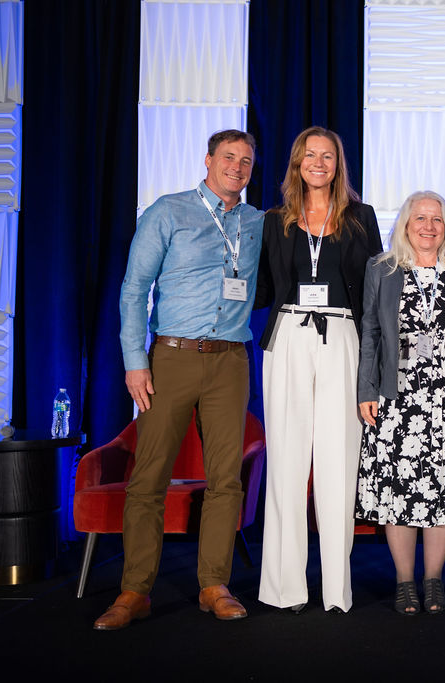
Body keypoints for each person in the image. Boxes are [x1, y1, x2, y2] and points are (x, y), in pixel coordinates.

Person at [95, 129, 263, 630]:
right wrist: (134, 360)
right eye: (228, 157)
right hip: (170, 357)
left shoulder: (258, 223)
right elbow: (134, 288)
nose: (237, 167)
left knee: (226, 479)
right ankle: (134, 592)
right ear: (208, 160)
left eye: (246, 161)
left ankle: (214, 585)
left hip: (231, 361)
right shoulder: (168, 211)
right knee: (148, 478)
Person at [256, 126, 382, 614]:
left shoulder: (361, 218)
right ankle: (284, 587)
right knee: (286, 464)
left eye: (327, 156)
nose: (318, 163)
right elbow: (262, 288)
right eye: (310, 155)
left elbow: (375, 290)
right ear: (297, 162)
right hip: (289, 335)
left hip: (342, 336)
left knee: (339, 461)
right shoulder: (274, 221)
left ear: (338, 165)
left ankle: (336, 590)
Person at [356, 191, 445, 615]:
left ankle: (433, 581)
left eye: (437, 219)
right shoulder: (382, 268)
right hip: (398, 397)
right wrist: (366, 390)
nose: (429, 226)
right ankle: (404, 583)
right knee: (400, 492)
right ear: (405, 224)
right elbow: (371, 332)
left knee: (443, 492)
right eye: (420, 218)